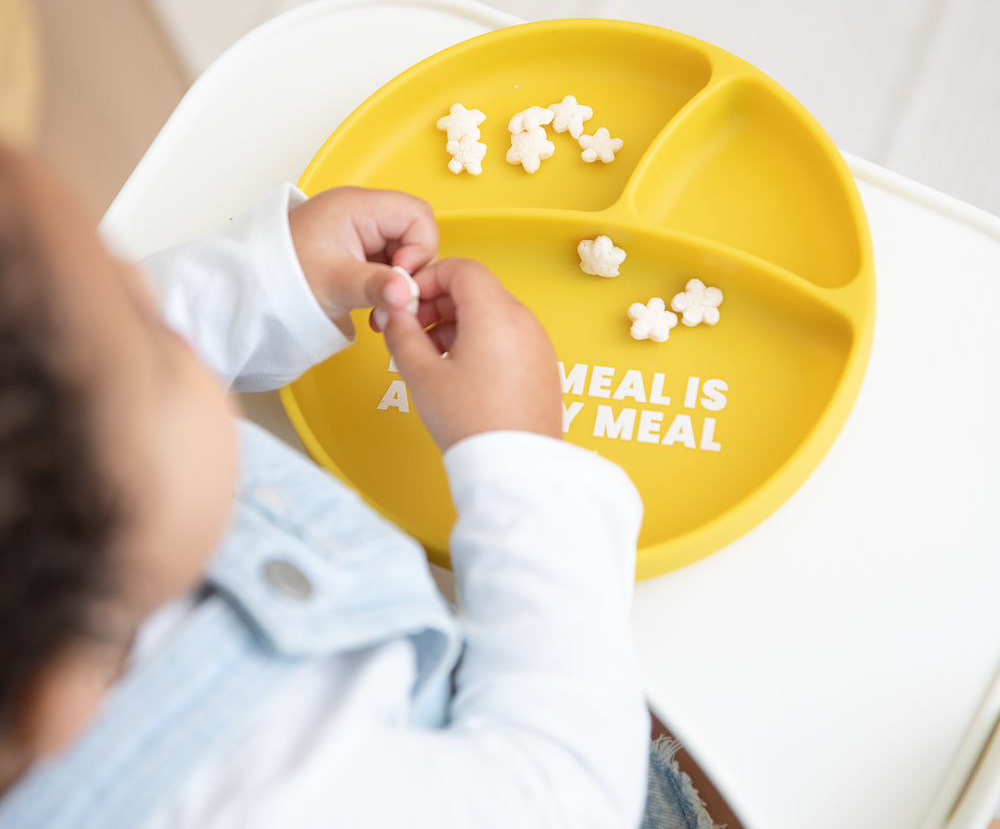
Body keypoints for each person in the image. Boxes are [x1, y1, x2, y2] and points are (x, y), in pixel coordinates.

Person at [0, 141, 654, 828]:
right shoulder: (263, 798)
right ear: (57, 694)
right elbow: (563, 794)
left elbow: (80, 379)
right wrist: (520, 456)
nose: (169, 313)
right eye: (161, 342)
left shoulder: (48, 524)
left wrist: (269, 279)